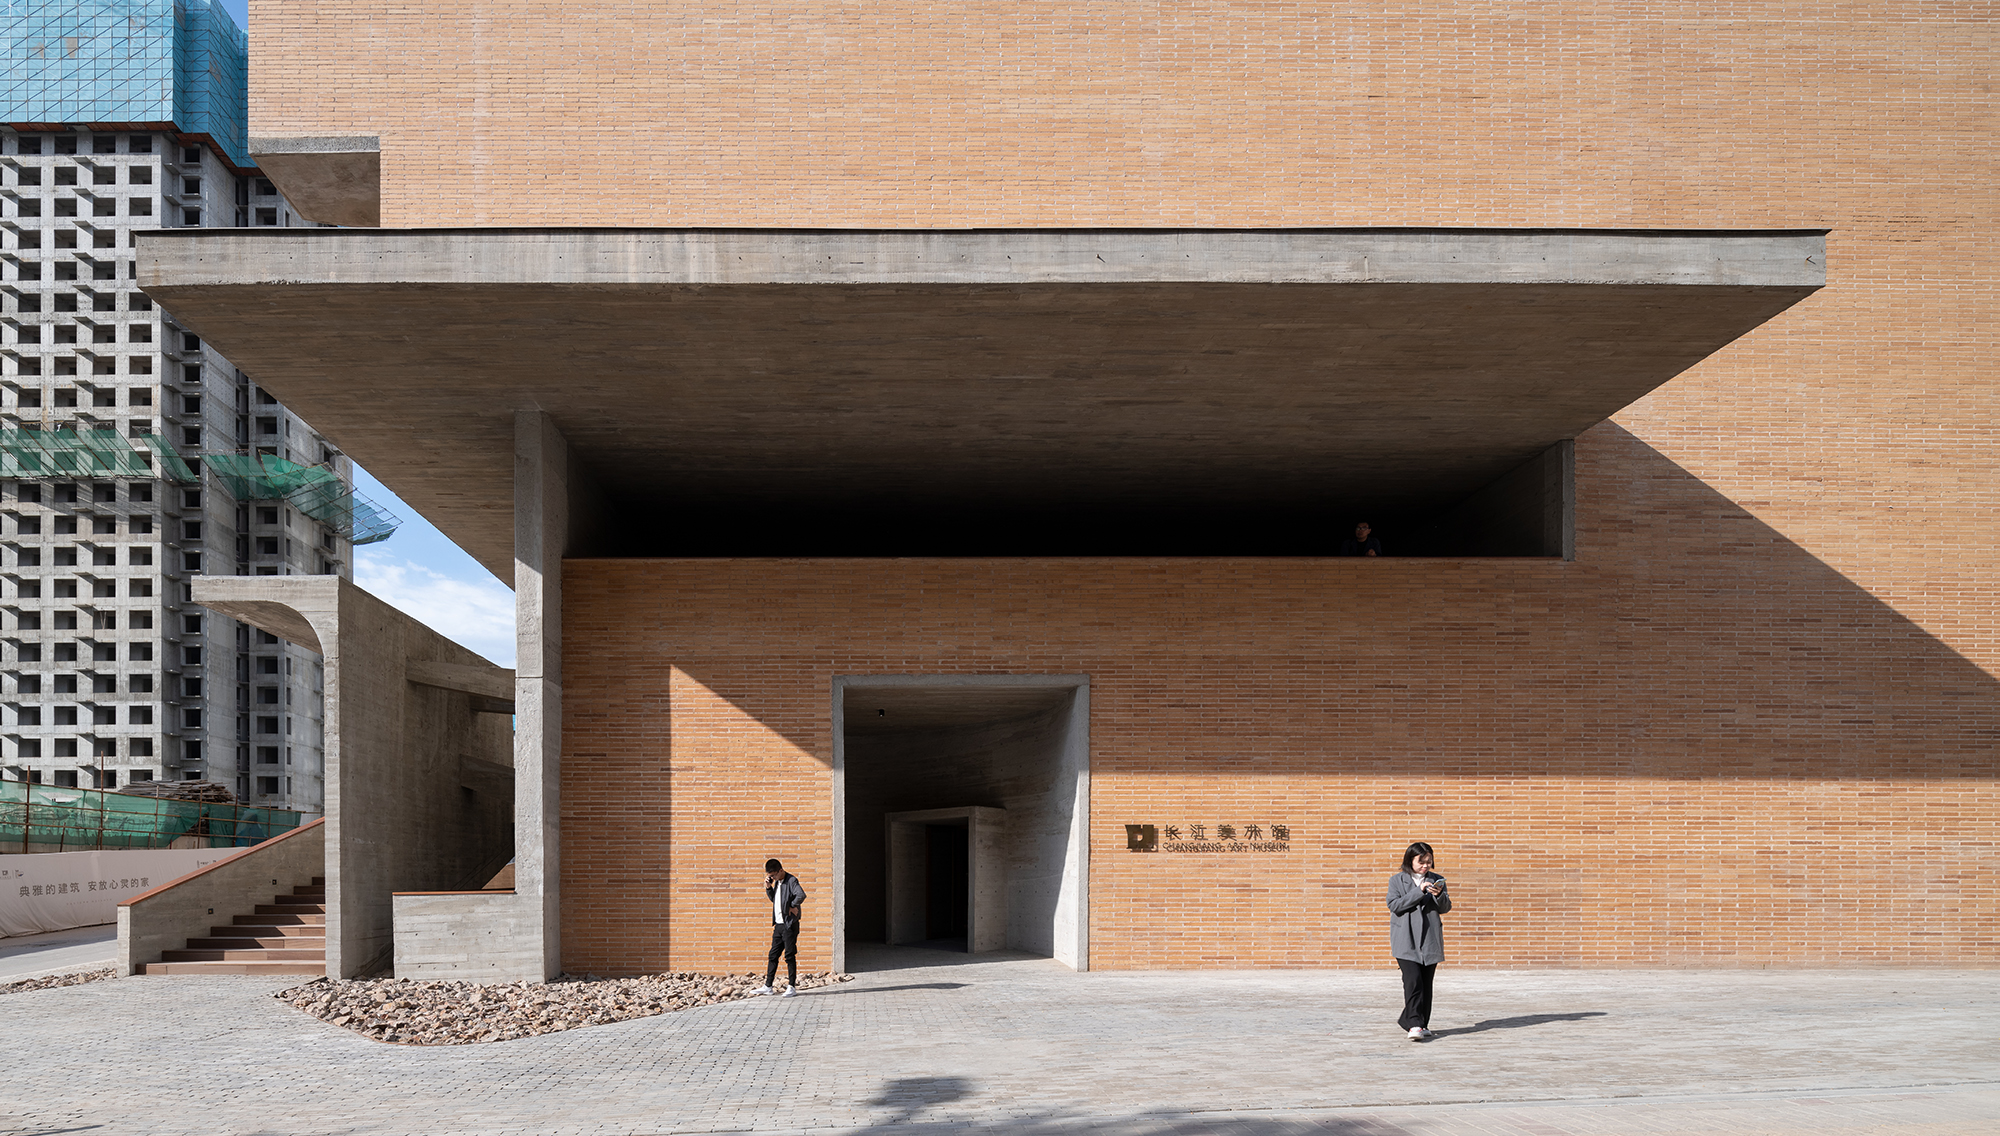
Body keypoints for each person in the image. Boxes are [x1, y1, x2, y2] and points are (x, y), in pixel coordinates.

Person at [1386, 841, 1450, 1039]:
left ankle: (1421, 1023)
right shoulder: (1397, 880)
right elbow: (1394, 905)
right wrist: (1418, 891)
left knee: (1426, 983)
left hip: (1429, 939)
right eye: (1421, 862)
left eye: (1429, 862)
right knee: (1412, 981)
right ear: (1410, 860)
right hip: (1406, 939)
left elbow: (1445, 907)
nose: (1425, 866)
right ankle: (1413, 1024)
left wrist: (1439, 895)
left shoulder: (1437, 879)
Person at [753, 858, 807, 997]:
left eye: (774, 875)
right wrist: (769, 888)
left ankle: (791, 987)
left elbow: (801, 894)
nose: (773, 878)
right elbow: (775, 900)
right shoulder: (777, 883)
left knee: (789, 955)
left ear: (781, 870)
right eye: (770, 876)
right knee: (773, 955)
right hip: (778, 925)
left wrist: (793, 905)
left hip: (789, 925)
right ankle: (768, 986)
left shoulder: (791, 881)